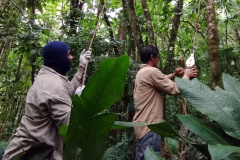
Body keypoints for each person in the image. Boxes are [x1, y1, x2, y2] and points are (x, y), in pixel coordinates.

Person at [2, 41, 91, 160]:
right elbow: (70, 128)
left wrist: (81, 67)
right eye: (68, 54)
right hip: (30, 154)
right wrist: (79, 102)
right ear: (58, 58)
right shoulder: (54, 87)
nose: (71, 57)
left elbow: (67, 89)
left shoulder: (48, 76)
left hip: (23, 149)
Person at [133, 45, 198, 160]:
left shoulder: (142, 71)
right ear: (152, 57)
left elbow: (159, 80)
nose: (158, 59)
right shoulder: (151, 71)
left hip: (141, 126)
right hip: (150, 128)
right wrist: (186, 76)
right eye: (157, 57)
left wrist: (174, 75)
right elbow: (175, 89)